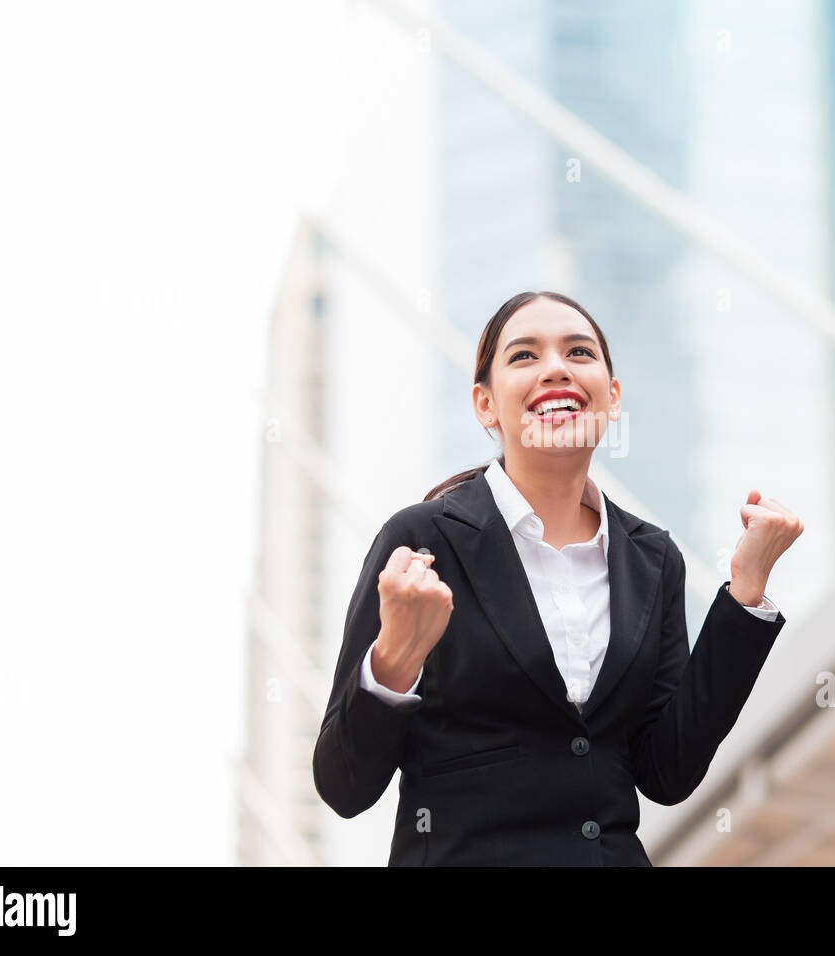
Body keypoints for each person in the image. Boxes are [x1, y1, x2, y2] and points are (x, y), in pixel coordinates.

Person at [312, 290, 803, 865]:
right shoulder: (423, 542)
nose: (555, 369)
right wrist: (395, 659)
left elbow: (665, 771)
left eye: (579, 352)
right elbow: (344, 786)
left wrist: (746, 591)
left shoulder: (652, 558)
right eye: (524, 356)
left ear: (611, 397)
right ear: (485, 404)